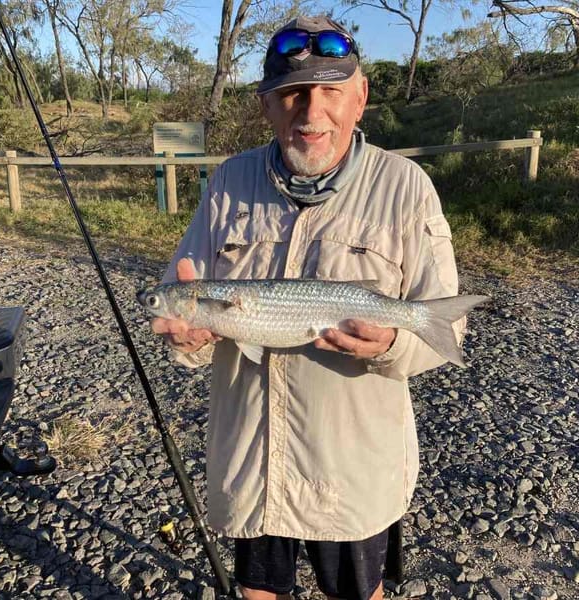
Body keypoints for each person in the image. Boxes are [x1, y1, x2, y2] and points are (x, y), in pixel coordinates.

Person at [150, 14, 465, 600]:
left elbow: (447, 326)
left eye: (330, 91)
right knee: (259, 591)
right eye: (293, 93)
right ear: (267, 105)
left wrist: (393, 344)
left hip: (352, 470)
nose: (311, 111)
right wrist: (184, 340)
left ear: (360, 97)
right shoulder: (226, 183)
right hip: (253, 462)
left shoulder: (408, 187)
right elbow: (180, 303)